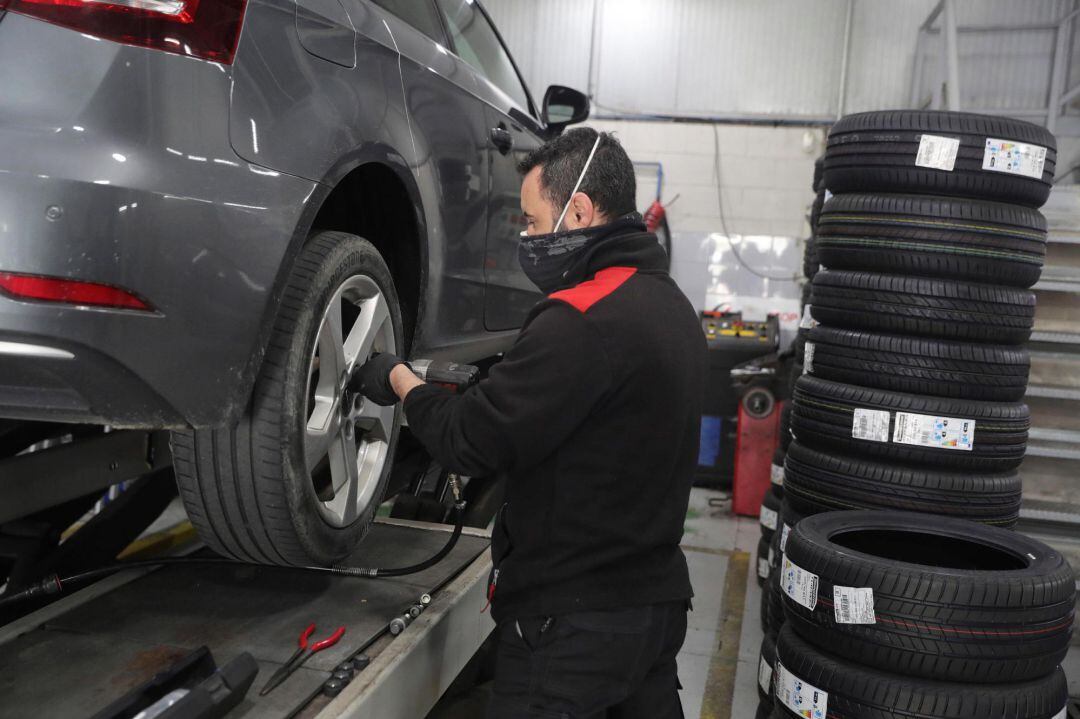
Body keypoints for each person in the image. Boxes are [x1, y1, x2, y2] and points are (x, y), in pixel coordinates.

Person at [356, 127, 706, 718]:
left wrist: (400, 381)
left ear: (581, 212)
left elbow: (470, 440)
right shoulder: (672, 307)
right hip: (653, 609)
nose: (528, 238)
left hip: (571, 629)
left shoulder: (580, 318)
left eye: (535, 222)